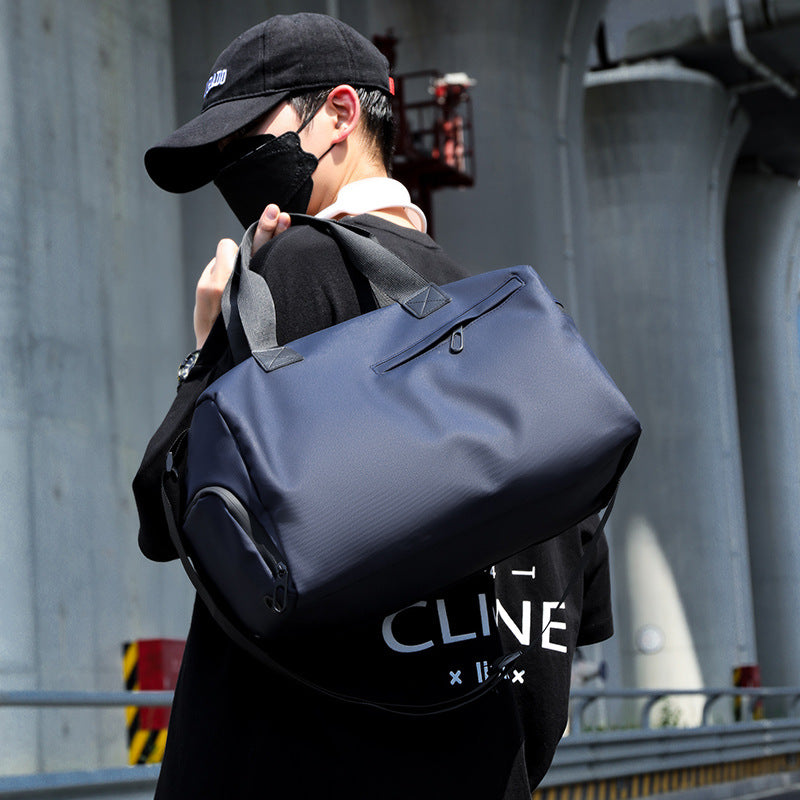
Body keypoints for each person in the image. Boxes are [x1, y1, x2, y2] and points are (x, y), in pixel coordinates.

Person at [133, 12, 613, 799]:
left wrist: (207, 349)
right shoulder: (512, 331)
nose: (229, 167)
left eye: (244, 136)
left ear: (340, 113)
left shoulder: (290, 271)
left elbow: (169, 515)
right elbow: (574, 609)